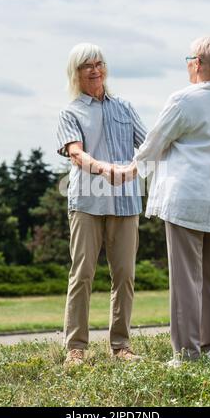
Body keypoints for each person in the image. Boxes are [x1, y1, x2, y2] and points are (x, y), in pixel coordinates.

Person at [130, 36, 210, 367]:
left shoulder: (183, 100)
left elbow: (154, 143)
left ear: (197, 62)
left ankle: (186, 353)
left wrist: (131, 168)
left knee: (185, 279)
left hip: (188, 198)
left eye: (188, 58)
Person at [57, 42, 147, 366]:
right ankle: (76, 348)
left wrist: (132, 169)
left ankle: (121, 346)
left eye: (99, 63)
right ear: (76, 73)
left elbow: (147, 146)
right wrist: (108, 170)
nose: (95, 70)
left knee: (124, 275)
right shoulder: (71, 112)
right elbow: (76, 154)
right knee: (82, 274)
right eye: (87, 66)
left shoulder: (124, 107)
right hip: (87, 203)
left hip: (126, 203)